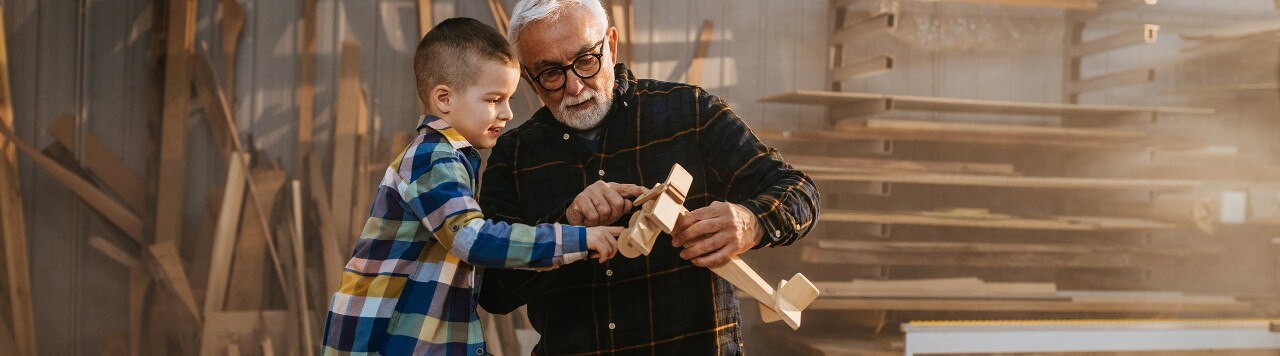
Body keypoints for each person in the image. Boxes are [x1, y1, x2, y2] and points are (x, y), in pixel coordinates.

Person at [477, 0, 821, 354]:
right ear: (529, 79)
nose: (575, 87)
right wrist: (565, 226)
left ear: (611, 45)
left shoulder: (690, 112)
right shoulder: (514, 155)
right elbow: (493, 292)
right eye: (550, 73)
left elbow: (800, 192)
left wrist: (752, 222)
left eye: (585, 61)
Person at [321, 17, 623, 355]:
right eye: (494, 99)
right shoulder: (433, 159)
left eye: (508, 99)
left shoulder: (449, 158)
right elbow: (471, 238)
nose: (508, 114)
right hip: (381, 344)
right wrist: (579, 237)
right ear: (445, 99)